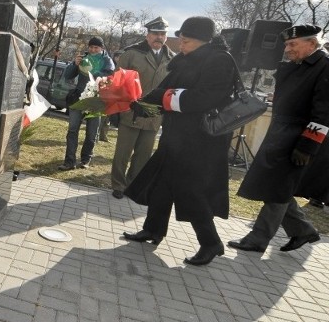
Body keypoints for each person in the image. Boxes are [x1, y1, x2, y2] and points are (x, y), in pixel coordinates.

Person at [123, 17, 236, 266]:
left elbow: (205, 98)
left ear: (203, 40)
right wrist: (142, 103)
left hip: (201, 141)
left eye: (186, 40)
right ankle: (153, 229)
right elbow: (166, 88)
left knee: (190, 190)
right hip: (176, 136)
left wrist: (162, 99)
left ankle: (211, 243)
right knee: (162, 183)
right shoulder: (186, 58)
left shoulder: (219, 60)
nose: (180, 44)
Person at [228, 24, 329, 253]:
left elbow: (324, 112)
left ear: (312, 43)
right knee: (277, 185)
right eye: (286, 45)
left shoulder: (325, 68)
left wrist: (307, 146)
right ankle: (302, 230)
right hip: (282, 134)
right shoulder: (299, 65)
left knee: (280, 187)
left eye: (292, 44)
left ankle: (258, 239)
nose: (287, 49)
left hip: (299, 138)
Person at [110, 17, 175, 199]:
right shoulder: (131, 53)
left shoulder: (172, 59)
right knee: (123, 152)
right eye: (155, 33)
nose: (159, 37)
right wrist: (118, 108)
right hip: (131, 110)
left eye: (162, 34)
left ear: (166, 37)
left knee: (143, 154)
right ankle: (118, 184)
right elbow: (117, 82)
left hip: (154, 114)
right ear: (147, 35)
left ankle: (133, 185)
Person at [58, 36, 115, 170]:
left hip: (96, 100)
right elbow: (68, 75)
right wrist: (74, 65)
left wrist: (94, 72)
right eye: (91, 47)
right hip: (79, 98)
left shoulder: (107, 60)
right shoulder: (83, 58)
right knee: (72, 130)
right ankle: (69, 161)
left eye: (96, 47)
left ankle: (85, 160)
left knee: (91, 133)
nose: (93, 50)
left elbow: (110, 75)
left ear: (101, 48)